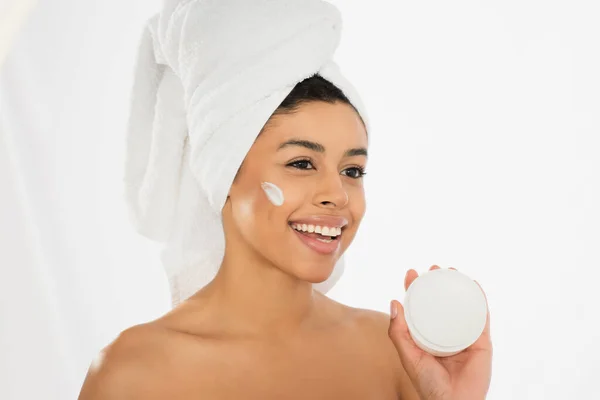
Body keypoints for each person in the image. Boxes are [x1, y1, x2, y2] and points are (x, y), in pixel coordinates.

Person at [79, 0, 492, 398]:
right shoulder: (135, 375)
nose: (336, 195)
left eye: (352, 171)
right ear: (224, 174)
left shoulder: (395, 355)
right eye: (301, 163)